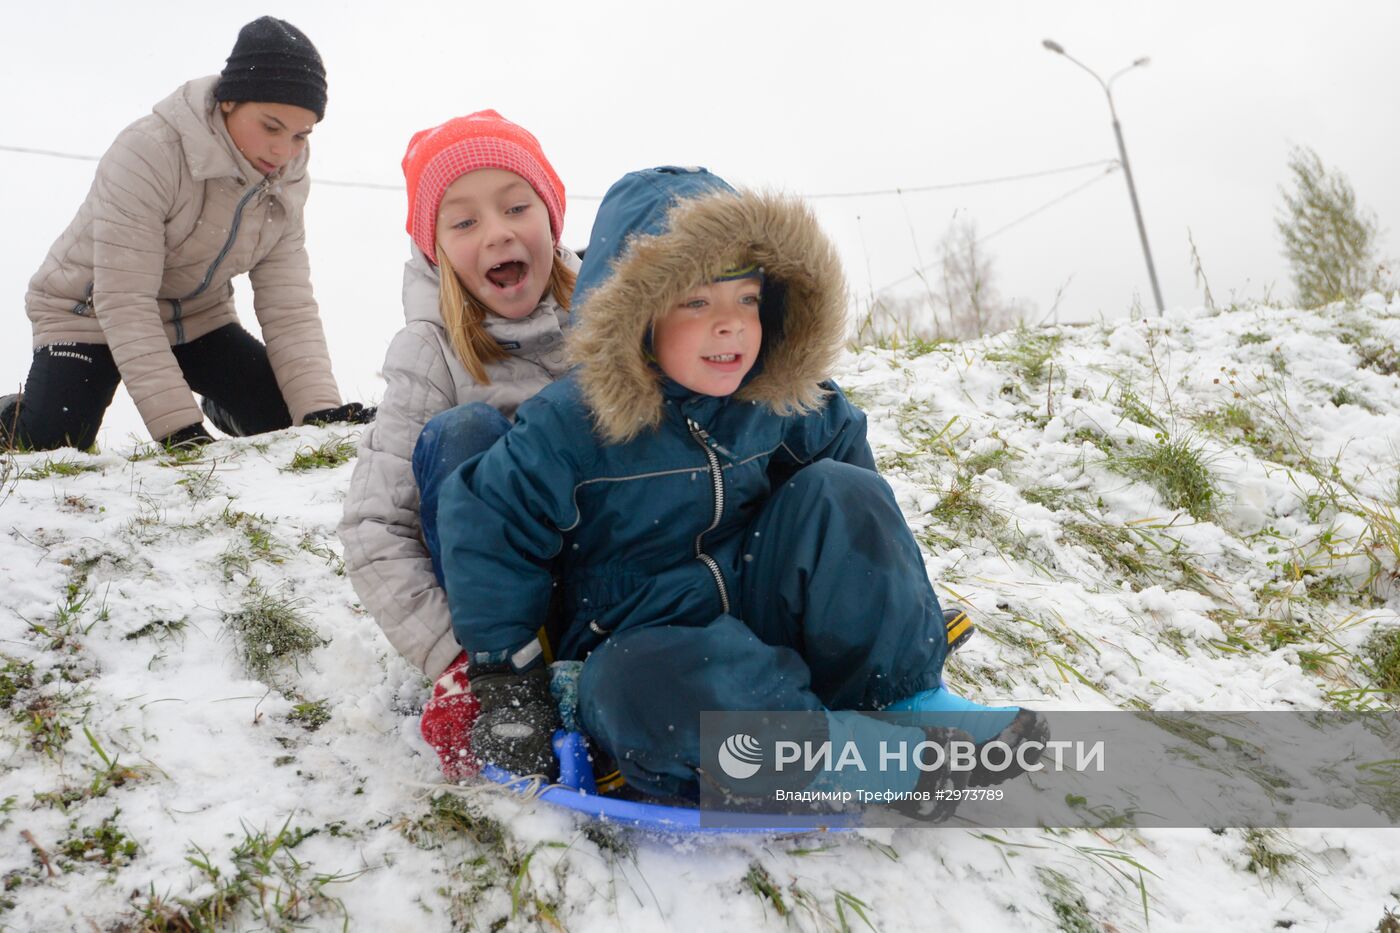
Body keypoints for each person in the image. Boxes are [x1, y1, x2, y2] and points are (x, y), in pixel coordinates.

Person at [432, 166, 1045, 811]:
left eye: (746, 300)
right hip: (640, 638)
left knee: (841, 490)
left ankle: (904, 701)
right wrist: (508, 680)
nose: (730, 326)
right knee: (642, 684)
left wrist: (879, 610)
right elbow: (489, 523)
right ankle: (828, 756)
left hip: (758, 608)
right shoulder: (571, 425)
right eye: (697, 303)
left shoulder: (779, 400)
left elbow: (855, 511)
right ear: (634, 315)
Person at [1, 16, 370, 453]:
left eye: (300, 135)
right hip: (89, 313)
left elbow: (288, 304)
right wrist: (180, 431)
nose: (283, 151)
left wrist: (319, 412)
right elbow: (125, 301)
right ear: (228, 102)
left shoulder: (285, 180)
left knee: (285, 421)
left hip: (196, 317)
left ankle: (222, 403)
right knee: (52, 442)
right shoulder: (149, 152)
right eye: (271, 127)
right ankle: (20, 415)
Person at [338, 111, 578, 780]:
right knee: (465, 435)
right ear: (436, 250)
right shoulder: (431, 351)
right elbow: (373, 525)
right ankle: (503, 676)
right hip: (490, 610)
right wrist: (454, 656)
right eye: (464, 221)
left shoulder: (606, 317)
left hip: (605, 583)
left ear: (551, 220)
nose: (497, 231)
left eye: (515, 206)